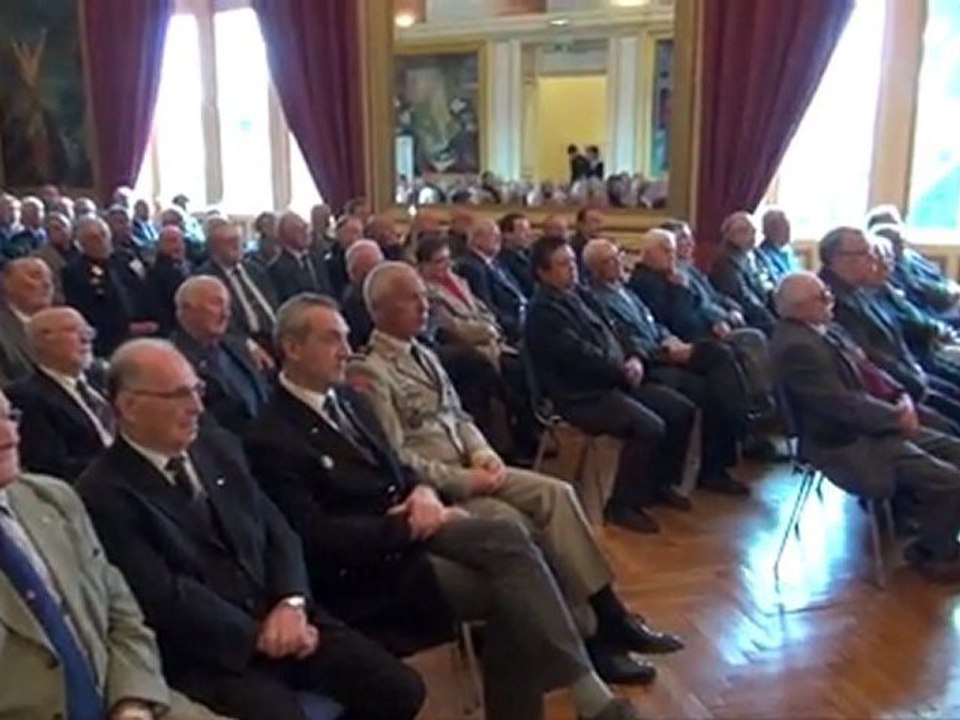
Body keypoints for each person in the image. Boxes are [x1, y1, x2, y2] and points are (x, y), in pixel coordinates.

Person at [246, 294, 648, 720]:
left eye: (346, 337)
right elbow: (314, 537)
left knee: (511, 537)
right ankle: (583, 681)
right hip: (371, 566)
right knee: (511, 590)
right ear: (291, 347)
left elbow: (399, 466)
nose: (347, 350)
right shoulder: (272, 435)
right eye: (332, 340)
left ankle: (583, 675)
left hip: (414, 526)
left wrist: (423, 494)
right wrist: (409, 525)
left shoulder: (348, 401)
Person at [349, 262, 684, 670]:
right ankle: (585, 640)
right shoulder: (368, 371)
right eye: (411, 298)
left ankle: (608, 614)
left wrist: (484, 454)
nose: (424, 306)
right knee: (518, 523)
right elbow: (396, 455)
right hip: (437, 490)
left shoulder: (425, 354)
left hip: (472, 465)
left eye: (424, 295)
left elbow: (460, 417)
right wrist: (463, 478)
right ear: (379, 310)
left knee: (557, 493)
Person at [76, 339, 426, 720]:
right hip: (211, 653)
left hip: (284, 616)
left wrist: (292, 603)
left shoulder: (217, 446)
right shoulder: (103, 492)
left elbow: (279, 532)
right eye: (179, 395)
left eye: (197, 390)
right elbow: (165, 596)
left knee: (401, 689)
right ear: (129, 406)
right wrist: (259, 636)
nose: (196, 407)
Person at [0, 386, 228, 720]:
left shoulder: (52, 499)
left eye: (9, 416)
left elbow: (122, 616)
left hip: (128, 698)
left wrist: (131, 701)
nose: (9, 434)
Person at [772, 272, 960, 583]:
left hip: (869, 426)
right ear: (799, 307)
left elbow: (869, 369)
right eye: (822, 297)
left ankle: (935, 538)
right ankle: (934, 554)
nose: (830, 300)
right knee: (951, 480)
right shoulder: (797, 347)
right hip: (842, 443)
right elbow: (839, 405)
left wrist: (900, 396)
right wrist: (895, 417)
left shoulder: (824, 329)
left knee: (954, 449)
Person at [524, 236, 697, 532]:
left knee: (681, 410)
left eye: (572, 263)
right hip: (579, 394)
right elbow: (578, 358)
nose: (573, 270)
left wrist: (634, 357)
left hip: (614, 379)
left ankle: (660, 484)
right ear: (543, 272)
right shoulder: (543, 311)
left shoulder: (581, 294)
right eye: (563, 265)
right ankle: (622, 504)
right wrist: (621, 370)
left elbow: (619, 331)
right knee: (649, 427)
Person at [584, 238, 750, 496]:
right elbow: (624, 338)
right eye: (609, 260)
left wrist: (668, 338)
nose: (618, 262)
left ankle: (713, 459)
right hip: (649, 361)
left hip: (664, 348)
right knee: (715, 364)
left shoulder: (625, 290)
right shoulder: (598, 298)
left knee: (717, 377)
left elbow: (651, 322)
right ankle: (735, 431)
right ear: (594, 269)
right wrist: (664, 350)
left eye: (618, 255)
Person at [818, 226, 960, 429]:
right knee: (951, 427)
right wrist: (912, 384)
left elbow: (895, 338)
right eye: (865, 253)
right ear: (838, 258)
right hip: (889, 395)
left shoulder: (861, 289)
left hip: (911, 376)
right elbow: (869, 358)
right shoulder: (833, 301)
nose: (873, 259)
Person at [9, 308, 112, 483]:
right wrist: (118, 466)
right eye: (73, 331)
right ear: (43, 341)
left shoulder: (102, 379)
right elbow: (52, 466)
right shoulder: (27, 397)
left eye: (87, 331)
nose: (86, 339)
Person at [172, 277, 270, 436]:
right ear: (186, 309)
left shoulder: (238, 346)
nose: (225, 314)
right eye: (216, 304)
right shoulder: (176, 362)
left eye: (227, 306)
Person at [62, 217, 157, 357]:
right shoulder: (74, 272)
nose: (101, 240)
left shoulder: (127, 258)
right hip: (109, 340)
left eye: (103, 234)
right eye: (93, 237)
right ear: (81, 243)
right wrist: (126, 328)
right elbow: (86, 311)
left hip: (146, 330)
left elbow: (146, 289)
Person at [196, 217, 278, 353]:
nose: (237, 246)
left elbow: (274, 303)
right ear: (214, 248)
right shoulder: (206, 279)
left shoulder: (255, 269)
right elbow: (218, 324)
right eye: (229, 242)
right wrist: (248, 345)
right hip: (245, 341)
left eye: (238, 241)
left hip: (275, 333)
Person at [456, 219, 527, 345]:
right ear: (476, 239)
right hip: (508, 327)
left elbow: (516, 291)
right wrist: (519, 324)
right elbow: (487, 307)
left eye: (499, 235)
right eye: (493, 235)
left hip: (522, 315)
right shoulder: (472, 267)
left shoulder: (496, 262)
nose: (499, 240)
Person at [709, 211, 777, 336]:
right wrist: (772, 318)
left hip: (772, 304)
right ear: (729, 235)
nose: (752, 235)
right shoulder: (725, 260)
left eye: (754, 231)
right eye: (744, 231)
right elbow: (742, 296)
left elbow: (773, 280)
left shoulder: (757, 253)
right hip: (751, 315)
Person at [0, 257, 54, 386]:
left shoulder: (66, 321)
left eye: (49, 278)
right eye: (35, 276)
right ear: (7, 284)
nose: (47, 284)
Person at [269, 211, 332, 302]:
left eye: (305, 227)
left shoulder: (317, 259)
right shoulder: (277, 268)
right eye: (297, 229)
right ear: (284, 235)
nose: (305, 232)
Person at [146, 226, 192, 336]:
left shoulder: (189, 265)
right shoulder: (157, 273)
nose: (178, 245)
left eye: (180, 240)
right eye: (172, 241)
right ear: (160, 245)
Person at [341, 239, 384, 349]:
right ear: (352, 273)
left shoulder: (388, 291)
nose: (372, 276)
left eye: (377, 267)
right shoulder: (351, 305)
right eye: (365, 273)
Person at [755, 207, 798, 285]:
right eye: (784, 227)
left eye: (788, 227)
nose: (788, 232)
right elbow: (775, 283)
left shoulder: (788, 250)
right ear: (768, 230)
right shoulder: (763, 255)